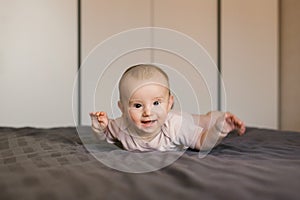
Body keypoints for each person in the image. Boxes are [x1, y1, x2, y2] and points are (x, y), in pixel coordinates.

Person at [90, 64, 246, 152]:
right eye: (137, 105)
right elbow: (105, 137)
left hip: (183, 120)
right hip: (170, 117)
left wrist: (219, 129)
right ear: (122, 108)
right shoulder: (120, 126)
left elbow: (201, 142)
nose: (148, 112)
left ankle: (219, 117)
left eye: (156, 103)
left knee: (204, 121)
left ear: (169, 102)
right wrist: (99, 128)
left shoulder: (176, 126)